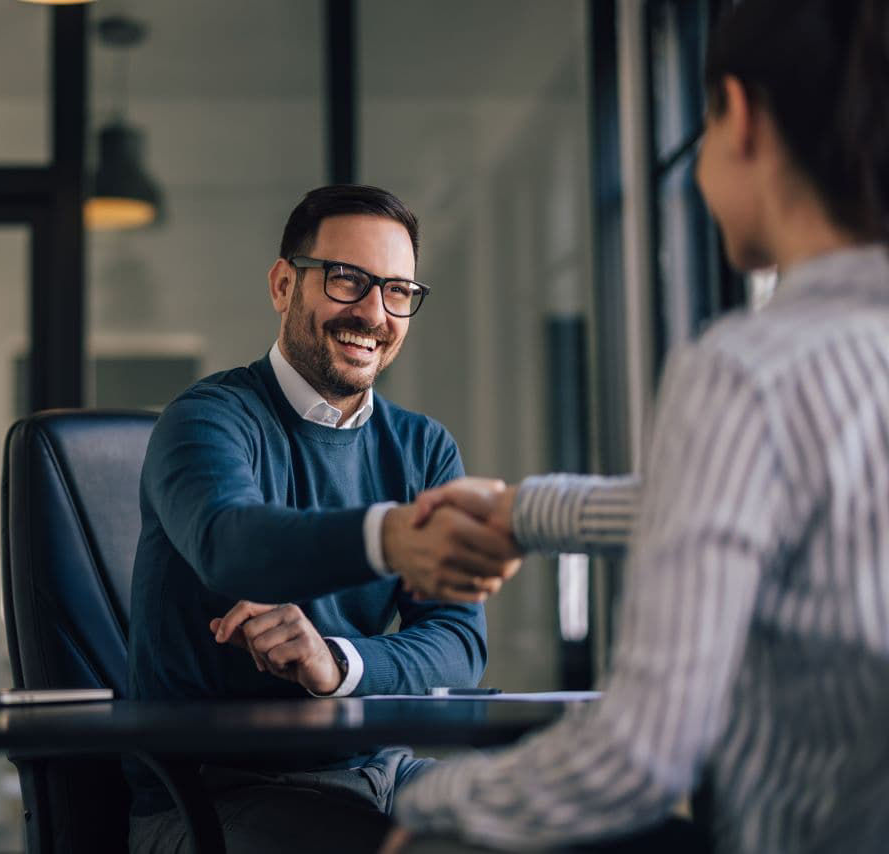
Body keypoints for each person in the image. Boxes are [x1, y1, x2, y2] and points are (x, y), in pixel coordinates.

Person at [380, 0, 889, 851]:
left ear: (743, 116)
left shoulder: (750, 372)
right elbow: (768, 510)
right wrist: (521, 513)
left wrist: (429, 809)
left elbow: (639, 759)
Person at [126, 184, 522, 853]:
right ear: (284, 285)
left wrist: (338, 663)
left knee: (554, 825)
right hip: (211, 795)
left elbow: (457, 641)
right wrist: (390, 536)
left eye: (398, 290)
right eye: (347, 280)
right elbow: (231, 543)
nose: (373, 313)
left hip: (382, 774)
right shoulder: (205, 420)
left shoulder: (424, 448)